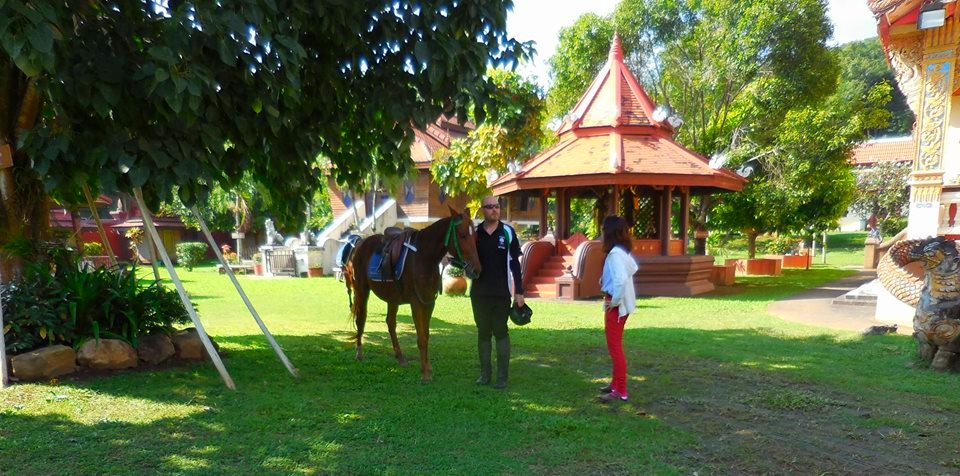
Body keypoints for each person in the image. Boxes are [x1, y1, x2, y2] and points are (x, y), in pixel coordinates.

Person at [470, 195, 524, 389]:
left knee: (501, 331)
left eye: (497, 206)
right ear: (483, 210)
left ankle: (502, 377)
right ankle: (485, 375)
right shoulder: (475, 234)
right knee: (483, 332)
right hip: (479, 292)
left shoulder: (507, 232)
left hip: (502, 293)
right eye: (490, 207)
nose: (494, 210)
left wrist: (519, 291)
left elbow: (514, 264)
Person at [598, 215, 638, 403]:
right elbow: (632, 268)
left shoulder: (615, 254)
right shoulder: (621, 252)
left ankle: (620, 390)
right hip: (621, 304)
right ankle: (615, 384)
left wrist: (613, 302)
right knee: (615, 346)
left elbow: (620, 281)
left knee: (615, 348)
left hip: (616, 306)